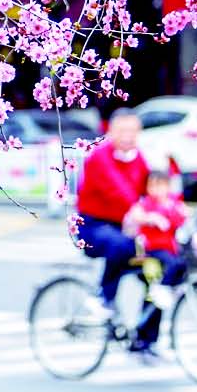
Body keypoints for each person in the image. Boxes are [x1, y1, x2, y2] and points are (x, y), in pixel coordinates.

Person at [73, 108, 175, 358]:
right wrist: (143, 215)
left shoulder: (137, 157)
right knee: (122, 245)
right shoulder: (99, 157)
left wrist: (168, 208)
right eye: (123, 131)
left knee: (157, 274)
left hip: (124, 227)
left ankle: (145, 340)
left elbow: (149, 191)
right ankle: (102, 298)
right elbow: (120, 194)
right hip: (92, 227)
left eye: (133, 131)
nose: (128, 136)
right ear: (111, 132)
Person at [131, 168, 188, 315]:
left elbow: (183, 215)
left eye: (160, 185)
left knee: (181, 264)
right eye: (152, 186)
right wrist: (151, 218)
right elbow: (136, 215)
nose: (156, 190)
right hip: (151, 250)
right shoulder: (147, 203)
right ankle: (163, 288)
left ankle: (168, 287)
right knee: (153, 295)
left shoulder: (172, 203)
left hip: (168, 249)